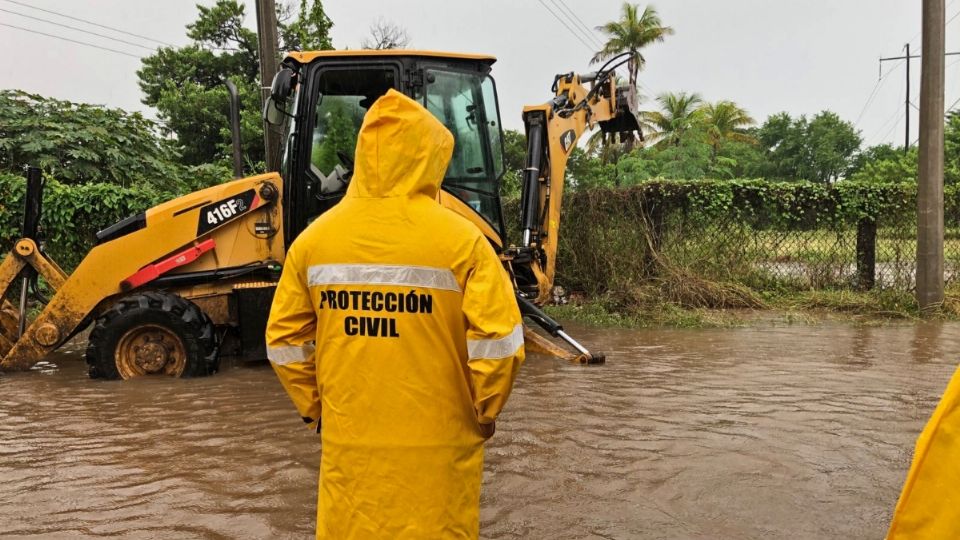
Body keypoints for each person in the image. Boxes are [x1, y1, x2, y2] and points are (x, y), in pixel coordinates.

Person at [266, 89, 525, 539]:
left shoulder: (311, 243)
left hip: (351, 445)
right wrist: (484, 413)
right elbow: (500, 347)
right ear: (432, 157)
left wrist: (318, 412)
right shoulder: (464, 242)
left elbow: (285, 344)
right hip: (441, 446)